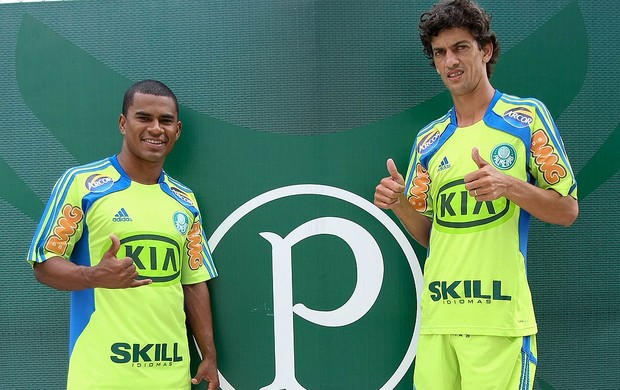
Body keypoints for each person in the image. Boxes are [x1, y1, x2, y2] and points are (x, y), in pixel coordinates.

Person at [374, 1, 578, 389]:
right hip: (439, 322)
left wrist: (509, 185)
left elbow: (567, 210)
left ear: (485, 50)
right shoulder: (429, 140)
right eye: (440, 52)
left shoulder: (526, 118)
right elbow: (432, 236)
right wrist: (399, 201)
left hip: (498, 322)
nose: (450, 60)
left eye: (461, 47)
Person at [27, 80, 220, 389]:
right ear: (123, 123)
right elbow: (43, 264)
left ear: (178, 130)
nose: (156, 129)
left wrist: (209, 355)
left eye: (165, 121)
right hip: (102, 377)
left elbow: (194, 281)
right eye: (144, 118)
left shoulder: (185, 200)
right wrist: (94, 276)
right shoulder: (82, 185)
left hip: (172, 376)